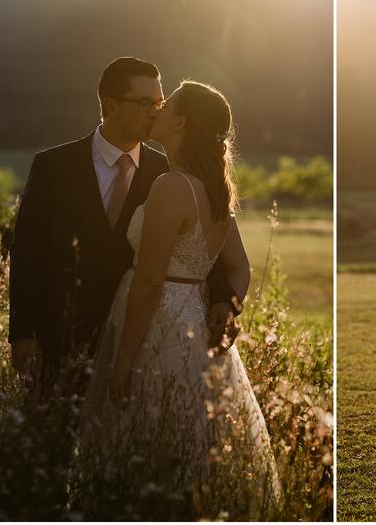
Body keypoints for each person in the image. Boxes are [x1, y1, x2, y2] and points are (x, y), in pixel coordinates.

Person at [78, 81, 281, 512]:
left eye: (165, 105)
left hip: (158, 324)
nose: (157, 109)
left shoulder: (172, 186)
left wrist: (123, 361)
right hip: (192, 320)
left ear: (182, 122)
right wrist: (228, 307)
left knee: (143, 432)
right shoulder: (216, 191)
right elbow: (239, 267)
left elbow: (150, 281)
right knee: (187, 437)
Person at [9, 57, 240, 384]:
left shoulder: (171, 172)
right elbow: (26, 251)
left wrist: (222, 298)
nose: (155, 111)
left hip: (141, 338)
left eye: (160, 103)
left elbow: (197, 247)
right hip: (59, 336)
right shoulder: (53, 166)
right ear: (111, 105)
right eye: (146, 102)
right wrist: (22, 331)